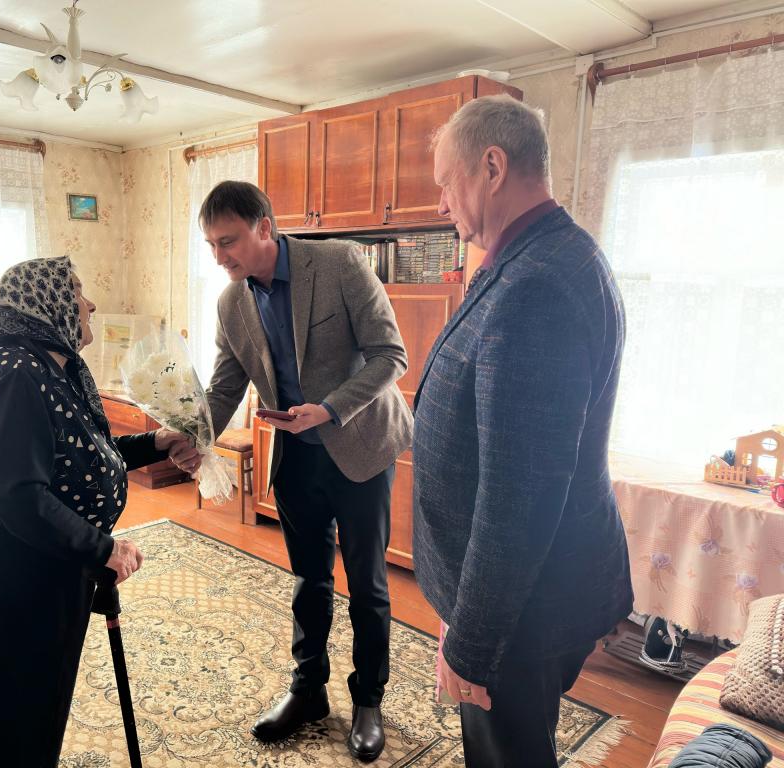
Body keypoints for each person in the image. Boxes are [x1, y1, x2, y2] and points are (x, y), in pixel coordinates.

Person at [412, 94, 634, 767]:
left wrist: (472, 644)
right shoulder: (543, 255)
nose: (441, 205)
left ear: (492, 166)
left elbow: (521, 494)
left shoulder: (536, 287)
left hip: (518, 608)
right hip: (521, 592)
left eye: (446, 183)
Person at [0, 255, 197, 767]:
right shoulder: (16, 375)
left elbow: (83, 455)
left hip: (28, 563)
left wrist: (156, 442)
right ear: (46, 304)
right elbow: (20, 495)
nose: (90, 304)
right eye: (78, 291)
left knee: (24, 705)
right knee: (3, 714)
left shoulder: (49, 368)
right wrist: (104, 548)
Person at [200, 180, 413, 762]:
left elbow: (391, 356)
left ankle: (368, 701)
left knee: (367, 584)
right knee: (309, 581)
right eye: (212, 245)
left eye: (228, 241)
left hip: (361, 446)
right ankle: (308, 690)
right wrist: (192, 437)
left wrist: (331, 408)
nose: (219, 257)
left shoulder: (340, 263)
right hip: (296, 457)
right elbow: (225, 386)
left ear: (264, 227)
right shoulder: (231, 303)